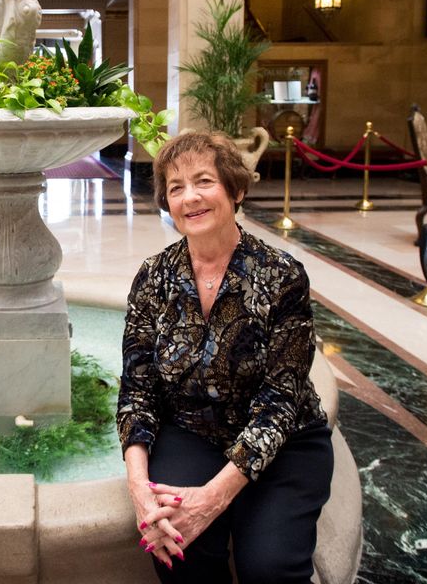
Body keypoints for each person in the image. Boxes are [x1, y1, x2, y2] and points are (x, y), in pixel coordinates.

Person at [118, 131, 332, 582]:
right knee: (177, 546)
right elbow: (137, 391)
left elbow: (282, 399)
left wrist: (214, 498)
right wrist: (139, 489)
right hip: (192, 431)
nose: (189, 197)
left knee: (269, 568)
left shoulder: (282, 276)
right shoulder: (153, 277)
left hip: (283, 441)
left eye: (203, 182)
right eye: (176, 188)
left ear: (235, 190)